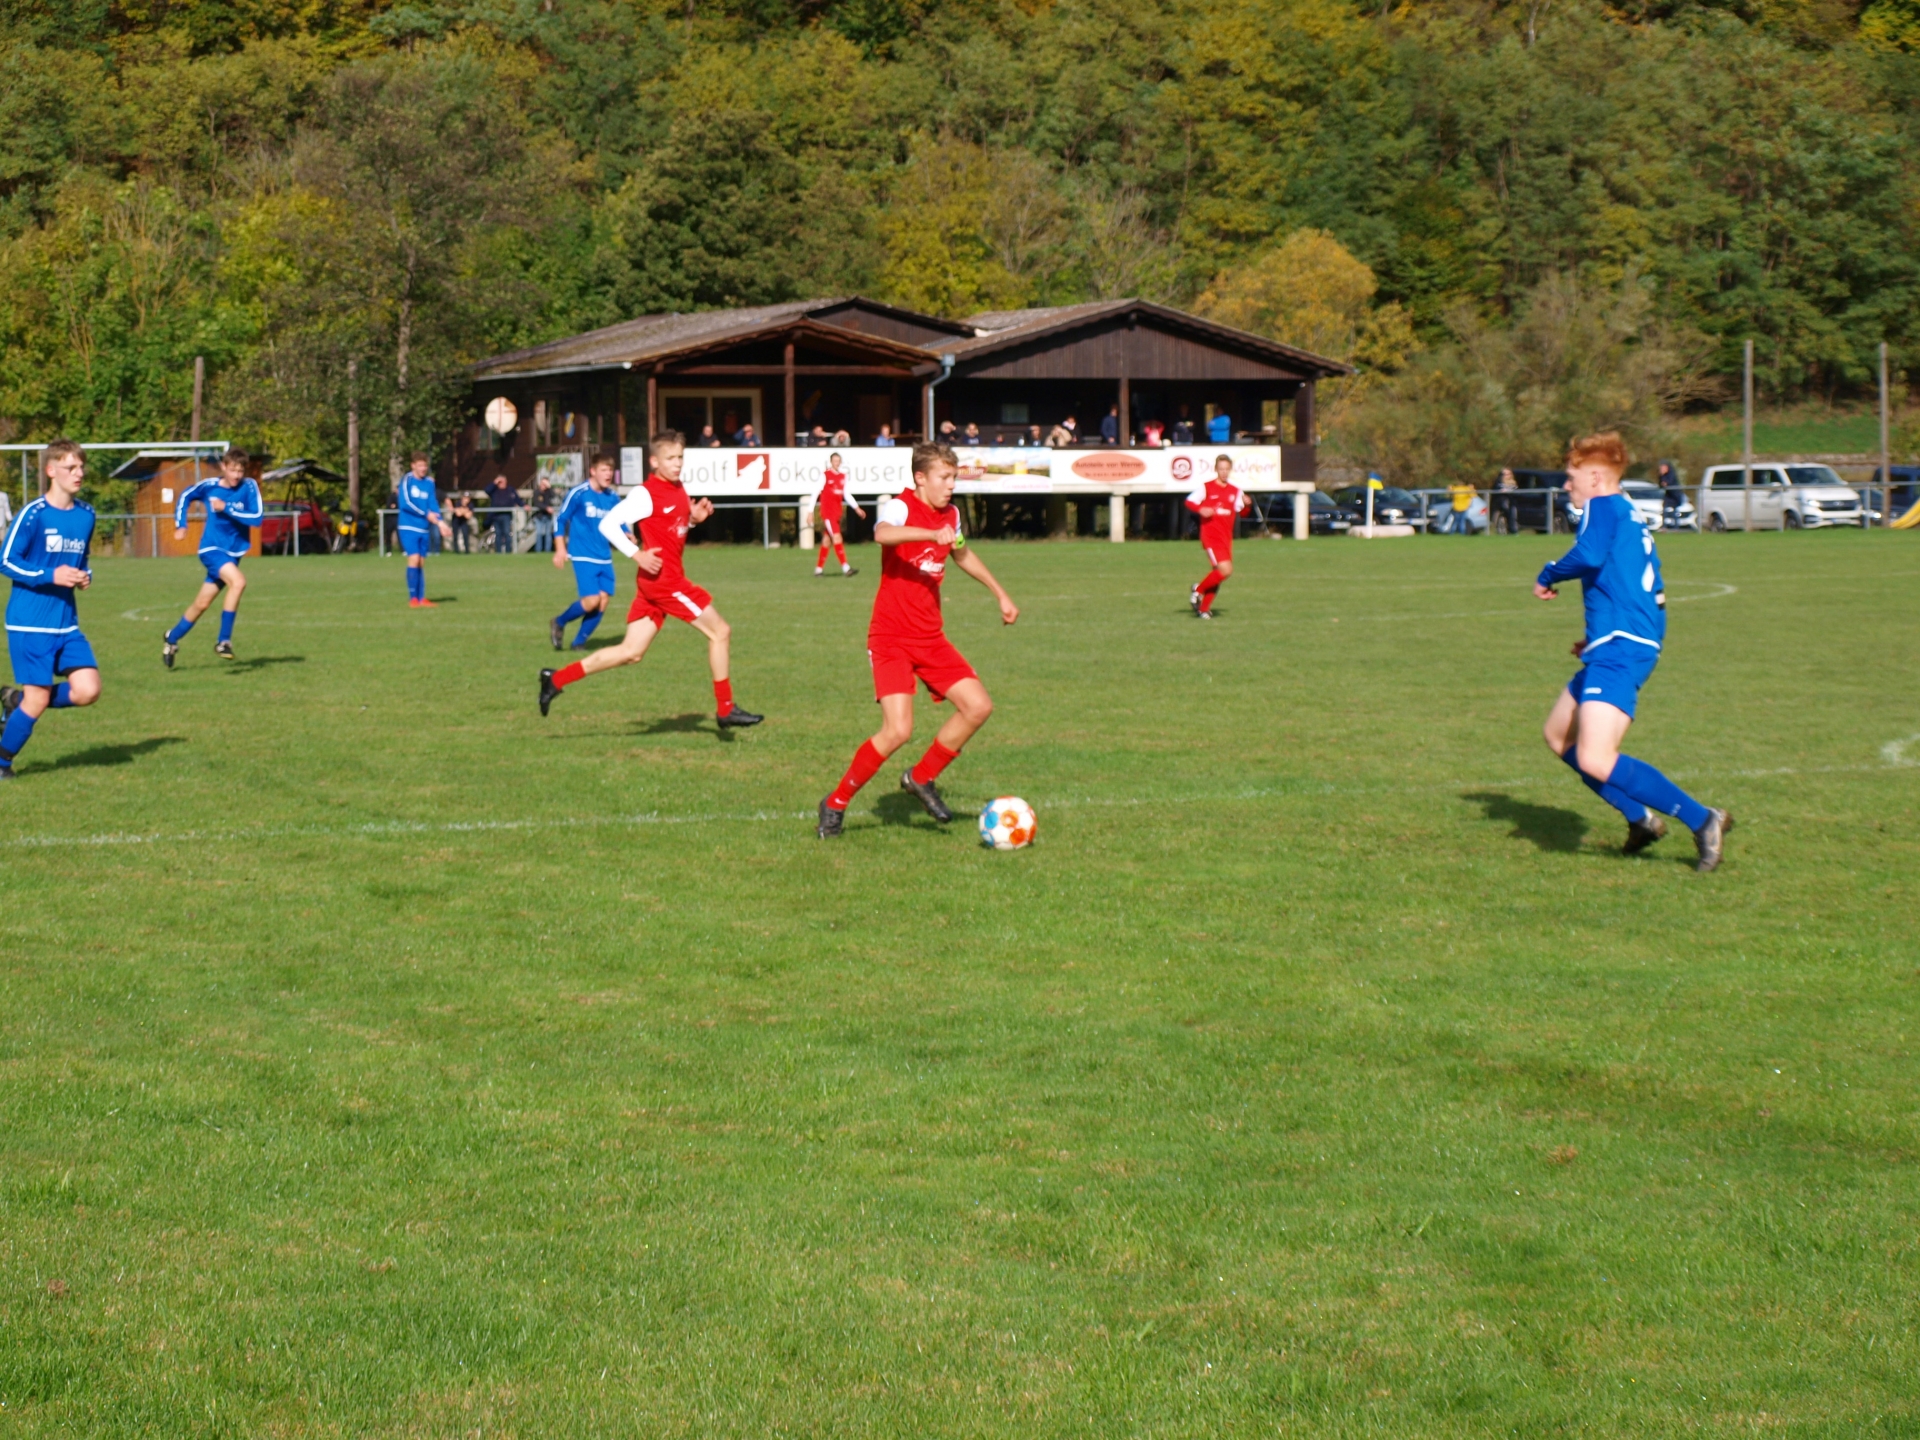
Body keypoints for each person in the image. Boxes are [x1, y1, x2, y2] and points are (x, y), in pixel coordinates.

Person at [1536, 431, 1731, 871]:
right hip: (1622, 643)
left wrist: (1547, 574)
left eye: (1571, 477)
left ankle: (1703, 820)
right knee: (1558, 736)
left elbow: (1587, 556)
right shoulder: (1626, 511)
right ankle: (1640, 820)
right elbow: (1639, 588)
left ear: (1596, 477)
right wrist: (1601, 636)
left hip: (1621, 650)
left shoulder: (1602, 506)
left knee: (1594, 756)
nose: (1567, 485)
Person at [815, 442, 1019, 838]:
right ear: (921, 478)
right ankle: (835, 802)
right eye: (945, 477)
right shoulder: (900, 506)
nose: (951, 485)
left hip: (930, 637)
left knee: (978, 706)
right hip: (890, 637)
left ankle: (921, 778)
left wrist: (1000, 593)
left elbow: (961, 553)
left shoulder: (952, 515)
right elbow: (882, 534)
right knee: (897, 731)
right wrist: (930, 532)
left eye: (954, 477)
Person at [538, 430, 762, 731]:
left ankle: (555, 679)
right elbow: (608, 524)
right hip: (665, 582)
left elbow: (671, 526)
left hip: (657, 582)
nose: (677, 463)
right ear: (655, 461)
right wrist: (637, 555)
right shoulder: (646, 493)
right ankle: (726, 709)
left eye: (680, 457)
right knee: (720, 631)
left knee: (631, 652)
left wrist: (693, 519)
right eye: (670, 458)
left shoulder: (678, 487)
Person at [0, 440, 101, 778]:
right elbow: (6, 560)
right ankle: (2, 763)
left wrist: (84, 575)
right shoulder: (34, 514)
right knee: (38, 699)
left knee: (88, 690)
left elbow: (81, 559)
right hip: (30, 623)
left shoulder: (87, 515)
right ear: (51, 470)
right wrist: (50, 575)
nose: (79, 473)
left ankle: (16, 701)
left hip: (66, 623)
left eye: (81, 467)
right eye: (71, 467)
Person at [162, 446, 263, 666]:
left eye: (240, 471)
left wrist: (226, 507)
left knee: (202, 603)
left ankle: (171, 638)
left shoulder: (249, 487)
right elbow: (186, 496)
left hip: (234, 552)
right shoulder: (210, 486)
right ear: (223, 467)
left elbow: (256, 518)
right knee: (238, 582)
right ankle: (223, 641)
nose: (236, 475)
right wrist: (181, 524)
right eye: (233, 470)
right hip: (211, 549)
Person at [550, 452, 624, 651]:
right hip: (583, 554)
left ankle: (579, 643)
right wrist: (560, 548)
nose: (608, 474)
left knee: (603, 601)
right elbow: (560, 519)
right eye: (603, 470)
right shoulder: (579, 493)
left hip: (604, 557)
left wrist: (627, 534)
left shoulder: (612, 496)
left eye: (610, 470)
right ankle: (559, 621)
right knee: (592, 601)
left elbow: (619, 520)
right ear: (593, 471)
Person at [1185, 453, 1247, 619]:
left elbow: (1243, 512)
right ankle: (1198, 591)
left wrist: (1248, 505)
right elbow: (1189, 501)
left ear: (1230, 470)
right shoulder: (1206, 487)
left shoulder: (1236, 491)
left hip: (1226, 538)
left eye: (1227, 469)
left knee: (1218, 573)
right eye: (1221, 469)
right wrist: (1200, 509)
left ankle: (1204, 609)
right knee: (1226, 570)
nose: (1224, 472)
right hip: (1211, 537)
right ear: (1216, 469)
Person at [395, 453, 453, 607]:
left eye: (425, 465)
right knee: (414, 558)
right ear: (413, 466)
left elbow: (433, 503)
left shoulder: (429, 483)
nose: (423, 468)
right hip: (408, 526)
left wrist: (441, 524)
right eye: (420, 465)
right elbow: (405, 503)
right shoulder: (407, 480)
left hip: (424, 528)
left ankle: (421, 598)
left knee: (421, 562)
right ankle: (413, 598)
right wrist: (426, 514)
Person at [814, 451, 866, 577]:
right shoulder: (825, 475)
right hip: (828, 513)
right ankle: (846, 568)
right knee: (837, 538)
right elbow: (815, 492)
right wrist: (810, 511)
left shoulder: (843, 476)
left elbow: (846, 494)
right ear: (831, 462)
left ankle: (818, 570)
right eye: (834, 461)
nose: (836, 463)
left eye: (838, 461)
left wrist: (857, 508)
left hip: (836, 513)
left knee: (827, 540)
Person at [485, 477, 520, 553]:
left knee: (507, 533)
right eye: (499, 482)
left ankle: (508, 551)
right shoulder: (494, 490)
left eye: (502, 481)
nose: (501, 483)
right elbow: (487, 490)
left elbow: (517, 499)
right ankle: (498, 552)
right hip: (496, 515)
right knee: (498, 534)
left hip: (506, 515)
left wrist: (524, 505)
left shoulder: (510, 490)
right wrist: (494, 482)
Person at [530, 477, 556, 552]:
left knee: (548, 534)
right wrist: (546, 508)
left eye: (545, 484)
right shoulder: (536, 492)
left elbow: (554, 496)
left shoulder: (548, 492)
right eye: (542, 483)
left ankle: (547, 550)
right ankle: (538, 550)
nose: (543, 485)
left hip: (548, 516)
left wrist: (550, 487)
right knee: (539, 533)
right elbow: (537, 503)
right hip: (539, 516)